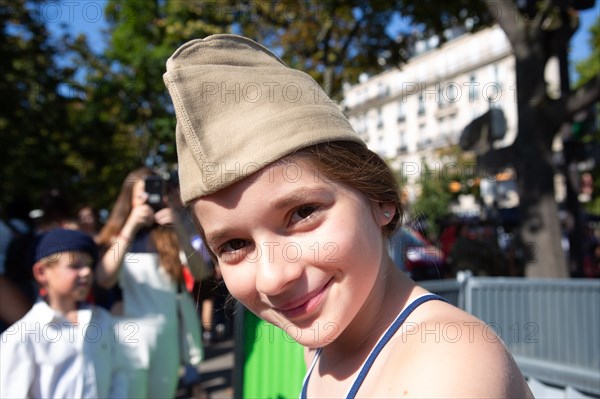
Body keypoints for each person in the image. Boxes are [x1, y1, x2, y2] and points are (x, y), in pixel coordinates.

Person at [163, 35, 533, 398]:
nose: (274, 278)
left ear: (379, 198)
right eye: (234, 245)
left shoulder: (448, 366)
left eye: (303, 213)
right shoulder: (326, 343)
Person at [94, 167, 194, 398]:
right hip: (125, 338)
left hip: (165, 337)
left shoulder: (170, 234)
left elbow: (201, 272)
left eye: (155, 191)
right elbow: (103, 278)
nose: (149, 199)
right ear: (128, 197)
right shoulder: (114, 235)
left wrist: (178, 225)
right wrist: (130, 226)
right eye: (142, 193)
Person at [0, 228, 127, 398]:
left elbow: (119, 375)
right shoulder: (23, 336)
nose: (86, 272)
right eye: (74, 266)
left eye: (89, 265)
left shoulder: (103, 320)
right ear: (41, 272)